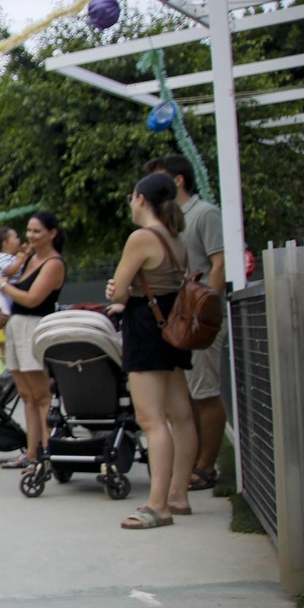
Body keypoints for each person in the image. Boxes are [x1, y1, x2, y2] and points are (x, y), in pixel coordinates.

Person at [105, 174, 198, 530]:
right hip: (173, 326)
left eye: (132, 196)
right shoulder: (176, 237)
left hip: (146, 328)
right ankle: (178, 495)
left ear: (141, 198)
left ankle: (157, 506)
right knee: (180, 413)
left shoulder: (142, 238)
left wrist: (120, 290)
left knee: (152, 420)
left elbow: (118, 292)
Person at [145, 155, 226, 492]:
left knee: (205, 392)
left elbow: (219, 263)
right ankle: (189, 463)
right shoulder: (169, 221)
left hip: (197, 321)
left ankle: (206, 466)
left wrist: (204, 311)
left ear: (178, 180)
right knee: (185, 396)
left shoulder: (205, 214)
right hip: (175, 322)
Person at [0, 212, 67, 470]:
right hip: (15, 326)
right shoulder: (31, 257)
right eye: (29, 231)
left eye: (36, 231)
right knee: (26, 395)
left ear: (51, 233)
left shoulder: (54, 263)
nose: (30, 236)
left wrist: (2, 285)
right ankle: (32, 452)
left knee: (42, 395)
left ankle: (48, 452)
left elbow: (32, 298)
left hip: (34, 327)